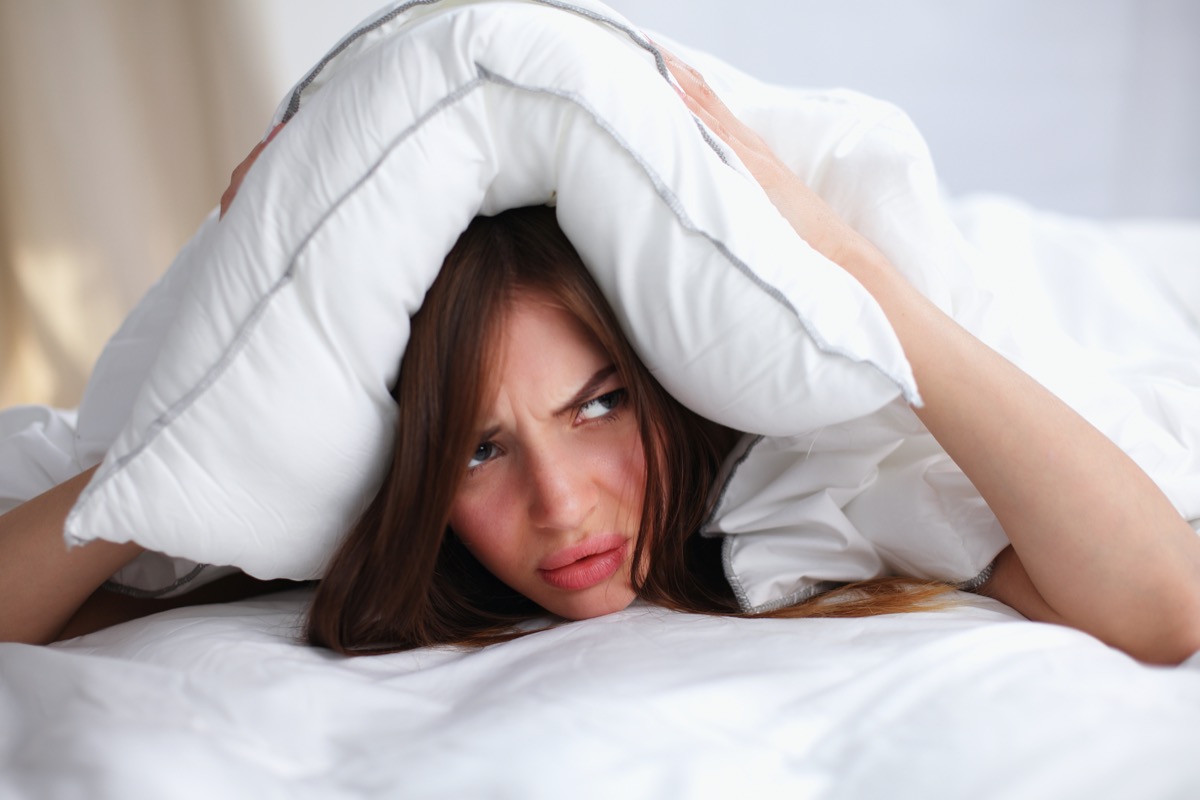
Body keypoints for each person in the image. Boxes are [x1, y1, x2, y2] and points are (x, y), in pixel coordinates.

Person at [2, 50, 1199, 664]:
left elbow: (1163, 604)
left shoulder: (810, 475)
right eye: (479, 447)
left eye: (599, 403)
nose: (561, 504)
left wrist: (857, 271)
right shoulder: (351, 523)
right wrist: (212, 393)